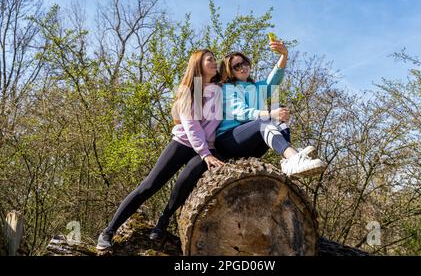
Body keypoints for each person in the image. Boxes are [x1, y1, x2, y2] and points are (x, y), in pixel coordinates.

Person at [96, 49, 224, 250]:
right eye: (210, 59)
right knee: (148, 186)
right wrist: (205, 153)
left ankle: (162, 223)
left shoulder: (219, 90)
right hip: (183, 144)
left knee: (185, 182)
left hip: (205, 148)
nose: (214, 62)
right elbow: (191, 126)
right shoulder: (187, 91)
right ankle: (108, 231)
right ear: (198, 64)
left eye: (215, 59)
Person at [215, 40, 327, 177]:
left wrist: (284, 56)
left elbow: (274, 80)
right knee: (265, 120)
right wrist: (269, 113)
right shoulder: (227, 88)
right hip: (229, 141)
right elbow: (241, 112)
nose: (243, 67)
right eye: (237, 66)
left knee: (279, 115)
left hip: (251, 144)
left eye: (244, 62)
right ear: (229, 71)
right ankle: (293, 157)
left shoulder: (256, 87)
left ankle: (290, 158)